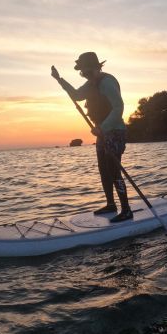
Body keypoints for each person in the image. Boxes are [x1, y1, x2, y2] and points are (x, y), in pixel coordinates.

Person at [51, 52, 133, 222]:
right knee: (103, 169)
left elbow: (118, 107)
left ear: (96, 67)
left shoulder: (107, 82)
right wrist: (59, 80)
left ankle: (126, 210)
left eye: (86, 71)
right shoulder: (90, 84)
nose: (84, 74)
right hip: (102, 133)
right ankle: (111, 204)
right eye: (82, 72)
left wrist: (103, 127)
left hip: (115, 131)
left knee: (113, 169)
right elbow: (76, 95)